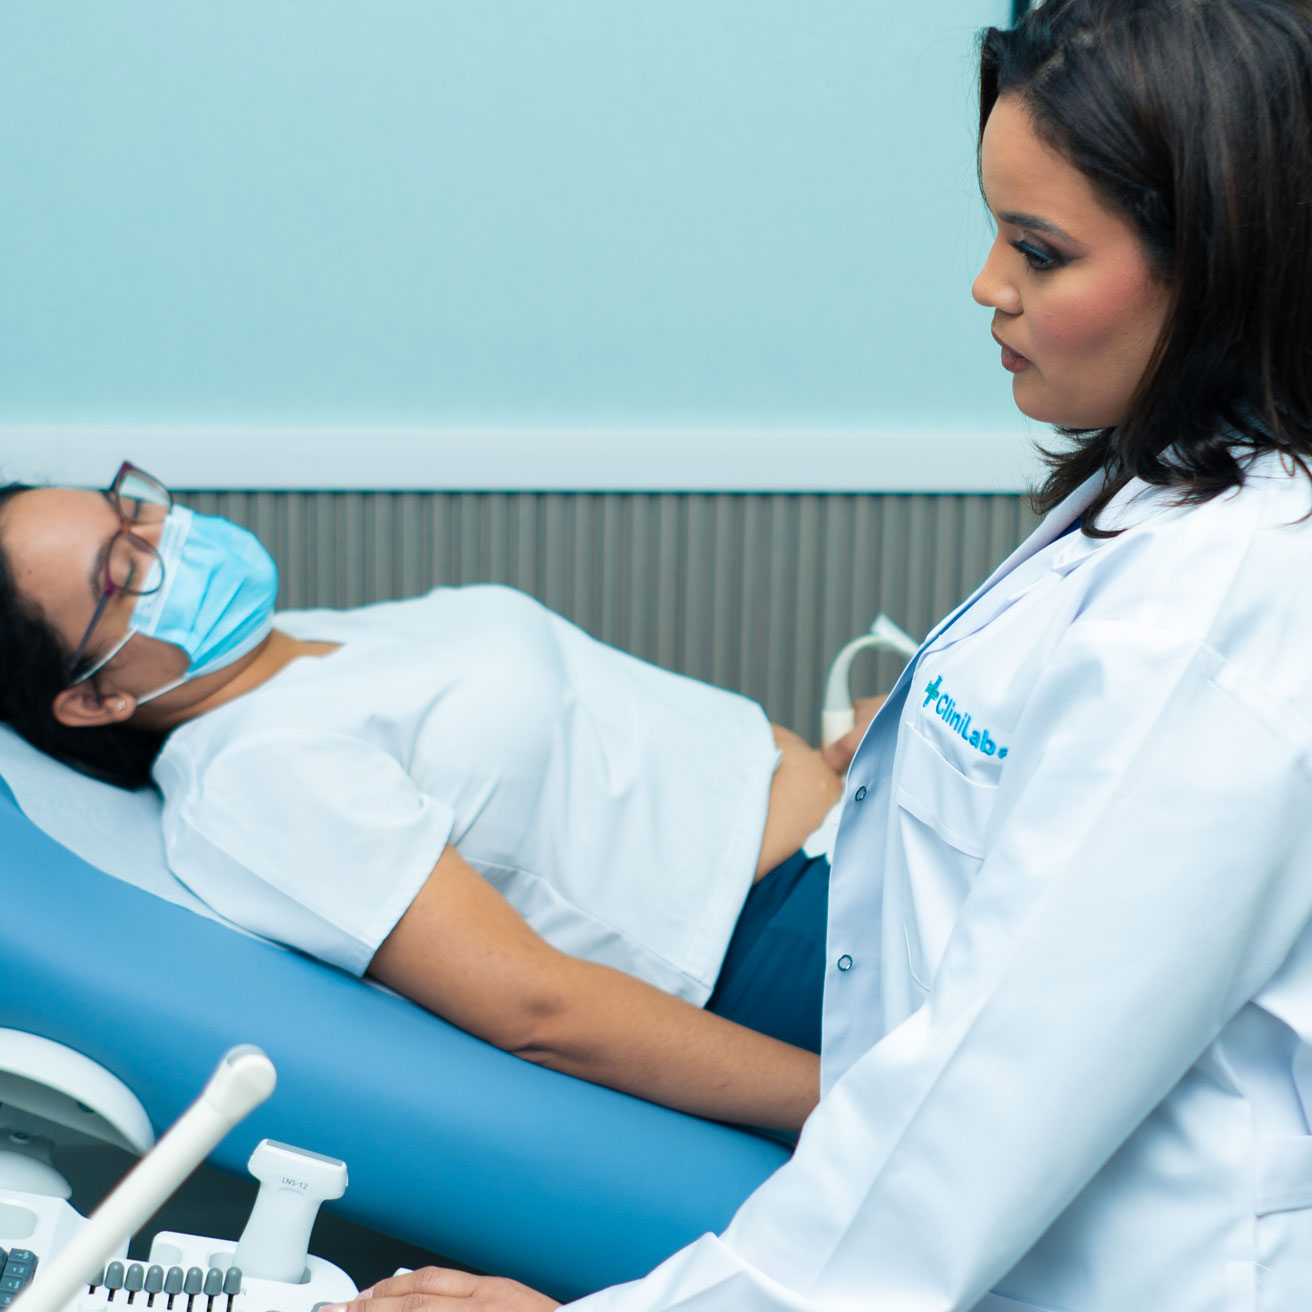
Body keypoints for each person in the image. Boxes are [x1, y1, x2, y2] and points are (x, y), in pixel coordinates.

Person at [316, 0, 1312, 1307]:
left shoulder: (1216, 599)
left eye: (1039, 249)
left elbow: (977, 1113)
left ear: (1222, 269)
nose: (987, 284)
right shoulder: (1165, 504)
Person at [0, 470, 882, 1135]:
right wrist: (861, 1105)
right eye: (127, 566)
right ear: (94, 699)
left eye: (130, 509)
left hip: (859, 828)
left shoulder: (300, 641)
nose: (168, 534)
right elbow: (537, 1009)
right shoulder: (253, 777)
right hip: (801, 940)